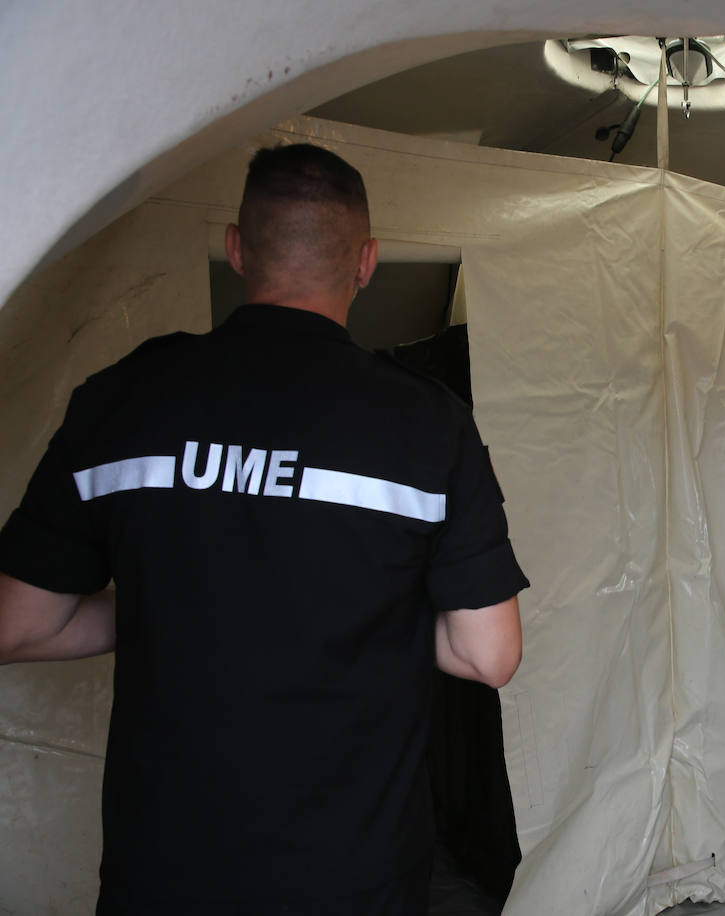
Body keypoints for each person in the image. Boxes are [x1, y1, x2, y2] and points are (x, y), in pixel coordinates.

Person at [0, 143, 528, 914]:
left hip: (165, 873)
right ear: (367, 261)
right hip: (355, 877)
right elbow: (488, 655)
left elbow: (16, 626)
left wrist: (165, 601)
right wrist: (363, 610)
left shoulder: (121, 400)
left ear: (238, 249)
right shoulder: (428, 424)